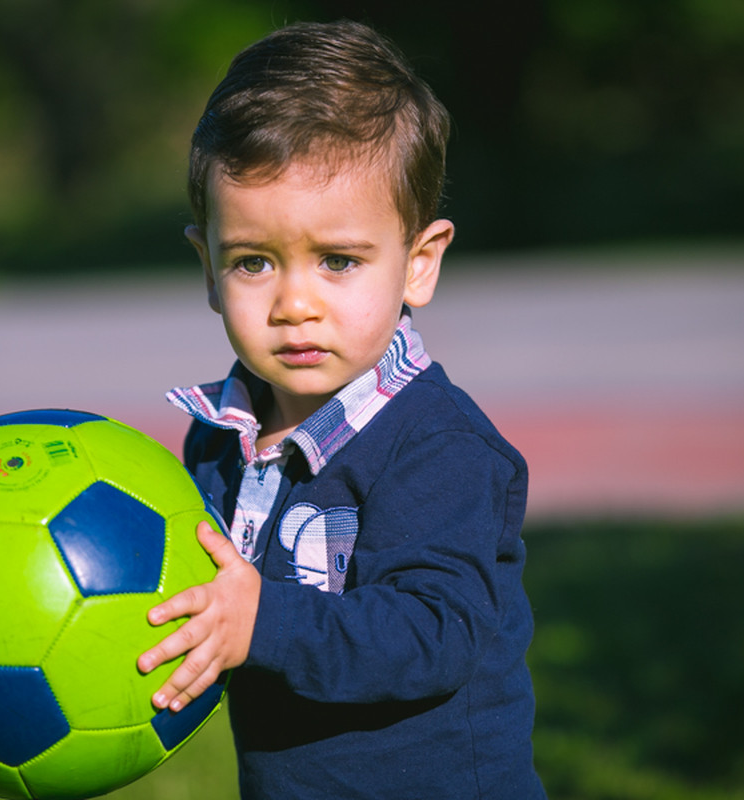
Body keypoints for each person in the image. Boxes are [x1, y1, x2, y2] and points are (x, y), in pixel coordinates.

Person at [136, 19, 547, 799]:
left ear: (418, 264)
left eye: (338, 261)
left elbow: (438, 631)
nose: (296, 303)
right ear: (209, 267)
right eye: (254, 261)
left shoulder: (437, 446)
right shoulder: (218, 437)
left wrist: (265, 625)